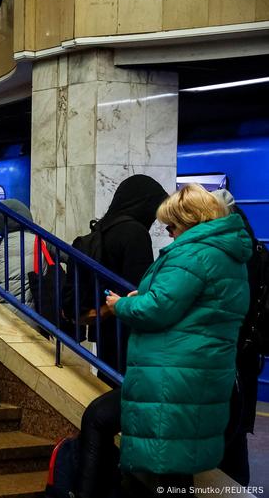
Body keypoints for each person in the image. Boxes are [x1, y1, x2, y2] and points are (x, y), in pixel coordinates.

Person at [77, 184, 251, 498]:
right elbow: (190, 304)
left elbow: (158, 309)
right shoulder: (226, 254)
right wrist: (144, 295)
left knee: (158, 465)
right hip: (195, 375)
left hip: (174, 379)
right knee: (175, 469)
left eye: (171, 226)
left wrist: (121, 305)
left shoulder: (195, 253)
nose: (169, 233)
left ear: (191, 220)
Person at [71, 174, 167, 384]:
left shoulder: (103, 228)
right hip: (128, 330)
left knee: (108, 381)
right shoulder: (135, 233)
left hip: (105, 328)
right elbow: (140, 287)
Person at [212, 189, 262, 486]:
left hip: (227, 352)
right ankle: (237, 487)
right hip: (247, 351)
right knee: (237, 428)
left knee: (223, 427)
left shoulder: (229, 252)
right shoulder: (252, 246)